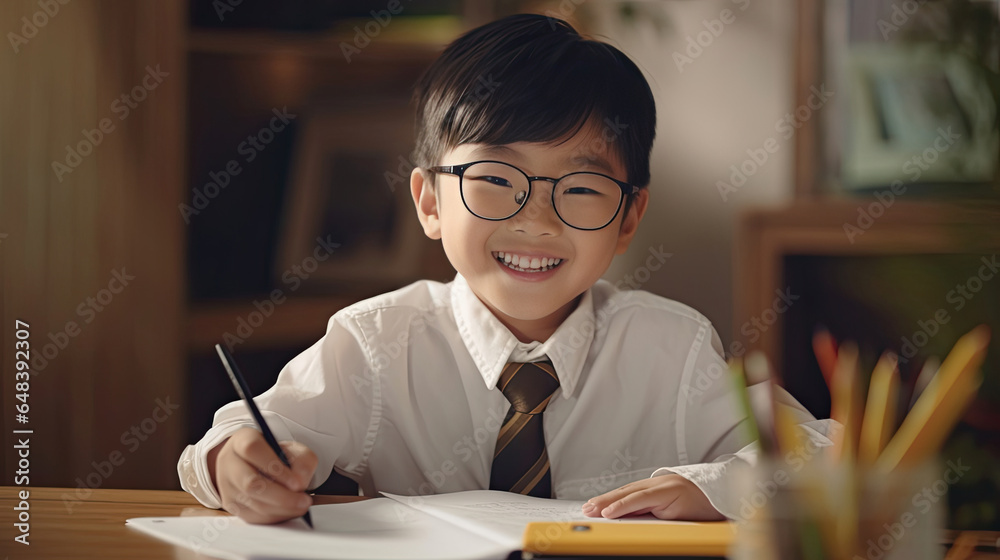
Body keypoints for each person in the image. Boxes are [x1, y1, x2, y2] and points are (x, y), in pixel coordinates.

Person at [178, 13, 831, 525]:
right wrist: (235, 464)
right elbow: (245, 433)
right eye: (494, 179)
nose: (537, 221)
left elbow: (826, 457)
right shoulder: (376, 344)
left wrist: (711, 487)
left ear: (630, 220)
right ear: (430, 202)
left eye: (579, 190)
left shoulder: (671, 350)